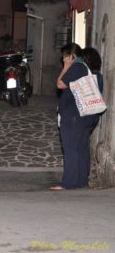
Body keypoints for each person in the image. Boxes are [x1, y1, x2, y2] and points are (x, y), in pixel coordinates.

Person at [51, 45, 104, 191]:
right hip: (89, 116)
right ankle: (81, 181)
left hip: (74, 116)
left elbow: (60, 84)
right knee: (81, 148)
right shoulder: (95, 73)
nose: (63, 59)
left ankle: (68, 182)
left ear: (72, 55)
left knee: (70, 148)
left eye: (65, 57)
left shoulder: (77, 67)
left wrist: (67, 66)